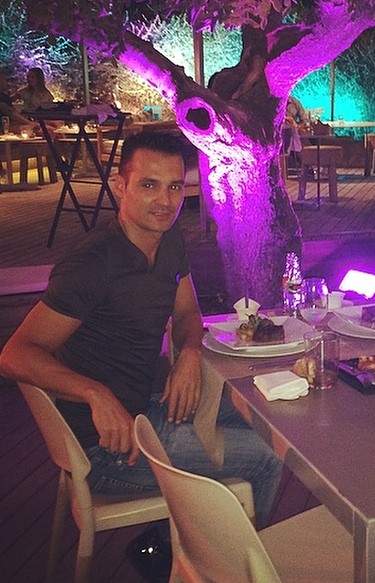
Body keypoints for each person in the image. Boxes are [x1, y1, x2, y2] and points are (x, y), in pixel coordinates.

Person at [0, 131, 282, 529]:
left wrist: (190, 353)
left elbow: (188, 313)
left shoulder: (169, 242)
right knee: (265, 460)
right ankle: (212, 560)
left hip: (144, 411)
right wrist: (95, 394)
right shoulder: (93, 264)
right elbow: (14, 355)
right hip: (105, 449)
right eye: (149, 185)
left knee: (263, 420)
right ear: (121, 187)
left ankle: (174, 545)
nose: (165, 201)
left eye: (174, 187)